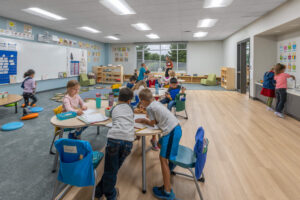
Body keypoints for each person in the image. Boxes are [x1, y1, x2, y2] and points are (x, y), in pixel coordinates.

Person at [136, 88, 182, 199]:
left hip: (171, 132)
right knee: (160, 145)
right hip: (175, 128)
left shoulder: (150, 108)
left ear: (142, 101)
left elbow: (152, 123)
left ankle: (167, 191)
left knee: (163, 159)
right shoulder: (155, 103)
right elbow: (156, 120)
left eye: (140, 101)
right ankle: (171, 163)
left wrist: (143, 120)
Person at [95, 88, 134, 200]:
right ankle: (100, 192)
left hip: (114, 139)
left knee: (110, 170)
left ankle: (109, 194)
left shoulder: (115, 108)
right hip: (128, 141)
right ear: (129, 101)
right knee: (113, 170)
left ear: (118, 98)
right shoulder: (131, 108)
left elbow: (112, 115)